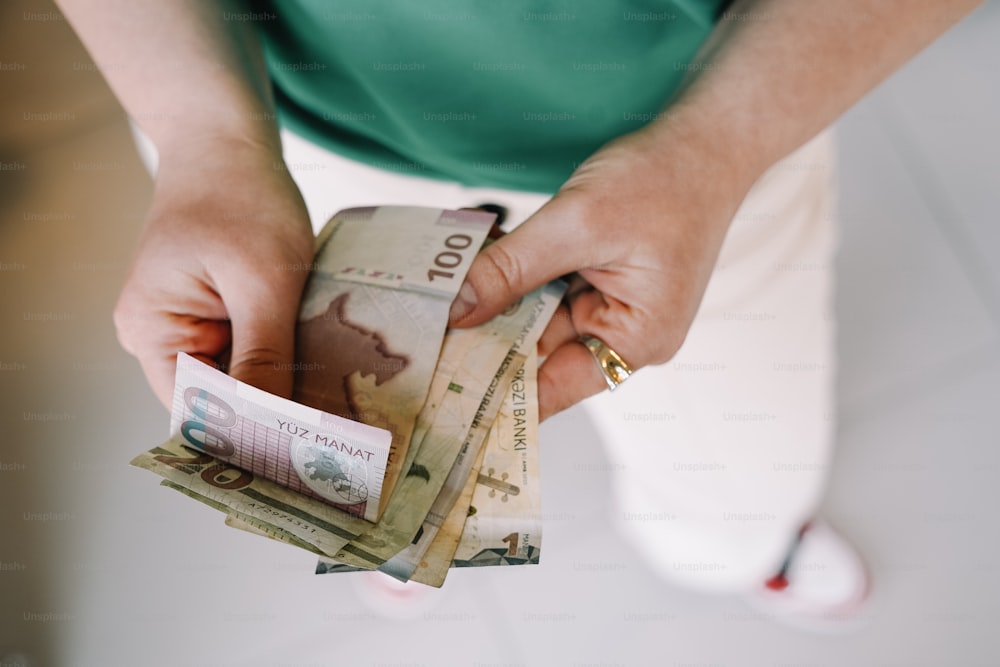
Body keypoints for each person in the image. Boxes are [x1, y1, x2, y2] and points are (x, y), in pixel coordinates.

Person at [57, 0, 981, 630]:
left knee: (741, 446)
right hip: (267, 122)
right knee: (367, 435)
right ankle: (402, 535)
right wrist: (200, 137)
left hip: (715, 116)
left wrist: (720, 147)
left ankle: (740, 539)